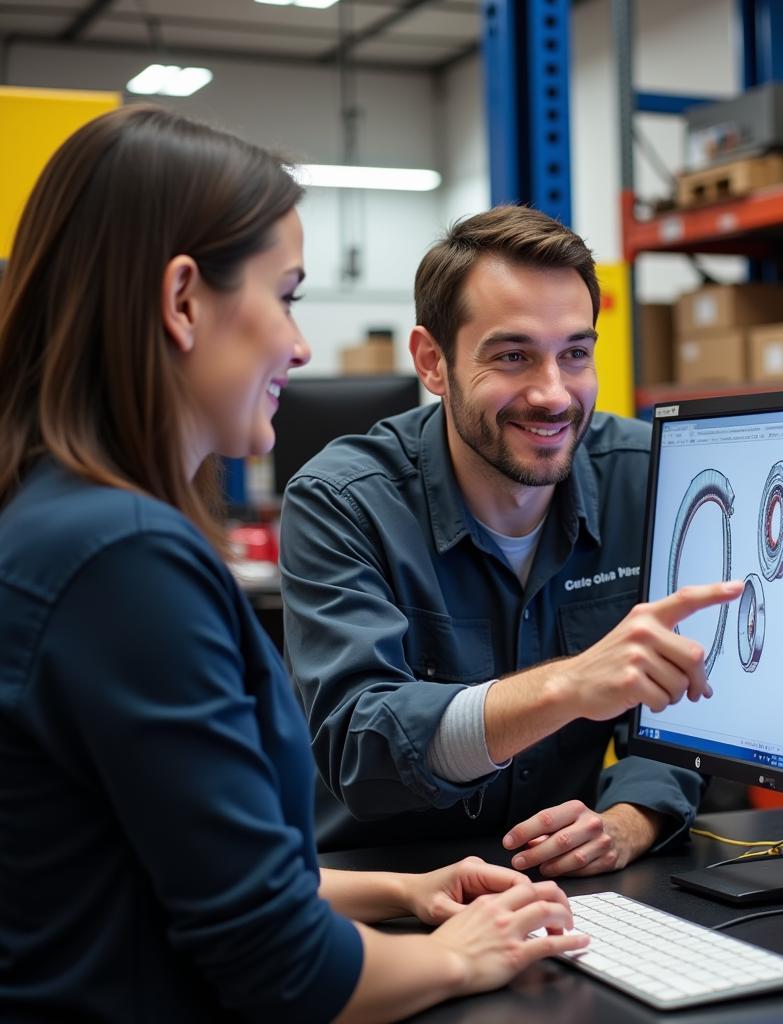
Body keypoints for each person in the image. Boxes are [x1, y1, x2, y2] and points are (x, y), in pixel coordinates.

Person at [0, 107, 587, 1023]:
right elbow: (283, 969)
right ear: (184, 299)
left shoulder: (62, 522)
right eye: (288, 295)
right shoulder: (123, 564)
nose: (302, 345)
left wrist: (403, 892)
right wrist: (465, 959)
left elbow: (193, 876)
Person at [280, 205, 741, 873]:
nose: (553, 394)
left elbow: (682, 716)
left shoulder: (650, 477)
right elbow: (361, 743)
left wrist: (630, 821)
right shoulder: (342, 502)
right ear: (432, 362)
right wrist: (569, 687)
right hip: (389, 891)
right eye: (513, 356)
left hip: (567, 891)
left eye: (575, 354)